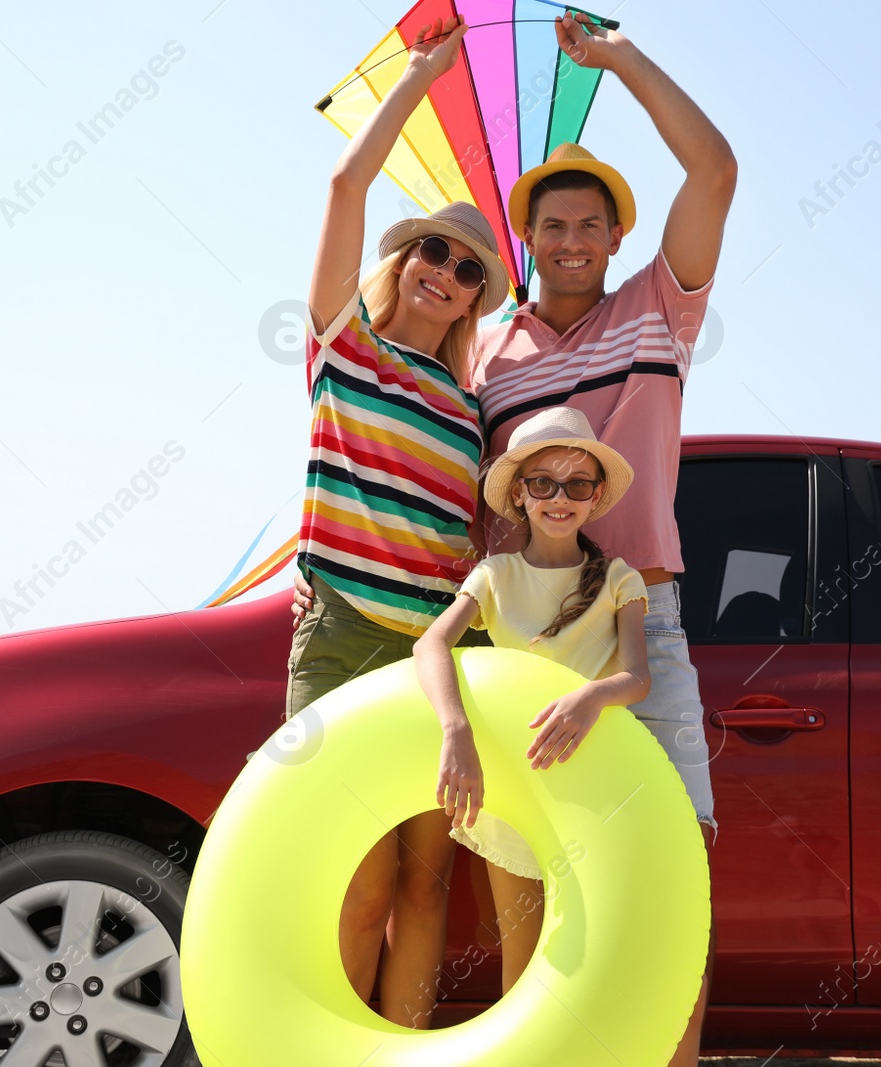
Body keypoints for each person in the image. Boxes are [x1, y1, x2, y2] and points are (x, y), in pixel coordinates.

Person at [466, 14, 737, 1064]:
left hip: (642, 619)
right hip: (524, 629)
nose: (570, 242)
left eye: (588, 225)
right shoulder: (486, 353)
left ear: (616, 237)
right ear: (526, 239)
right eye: (551, 227)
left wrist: (617, 61)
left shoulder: (658, 313)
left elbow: (715, 165)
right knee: (527, 873)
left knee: (675, 869)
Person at [288, 14, 508, 1029]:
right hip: (337, 641)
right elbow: (343, 189)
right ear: (403, 257)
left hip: (430, 657)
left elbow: (471, 539)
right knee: (358, 877)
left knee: (427, 884)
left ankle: (402, 1049)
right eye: (433, 250)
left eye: (468, 271)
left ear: (473, 302)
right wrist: (419, 78)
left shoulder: (470, 412)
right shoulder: (345, 345)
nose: (446, 273)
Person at [412, 407, 652, 994]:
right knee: (525, 959)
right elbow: (431, 643)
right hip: (515, 785)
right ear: (520, 494)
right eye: (543, 483)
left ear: (595, 497)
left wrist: (591, 698)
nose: (559, 498)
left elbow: (639, 677)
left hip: (594, 788)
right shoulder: (495, 575)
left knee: (592, 954)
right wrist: (455, 729)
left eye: (576, 485)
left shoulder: (621, 578)